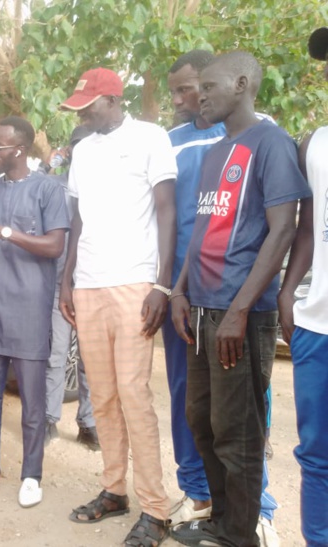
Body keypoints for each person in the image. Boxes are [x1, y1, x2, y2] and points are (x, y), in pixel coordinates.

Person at [169, 51, 311, 547]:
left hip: (239, 315)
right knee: (202, 422)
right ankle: (222, 521)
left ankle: (241, 535)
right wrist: (180, 290)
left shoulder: (271, 143)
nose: (200, 94)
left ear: (243, 83)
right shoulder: (213, 154)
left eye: (209, 85)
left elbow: (283, 232)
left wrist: (239, 310)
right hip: (202, 308)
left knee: (238, 431)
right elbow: (201, 230)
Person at [58, 67, 176, 546]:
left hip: (134, 283)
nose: (83, 113)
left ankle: (156, 509)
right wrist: (67, 280)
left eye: (89, 105)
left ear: (113, 99)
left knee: (133, 395)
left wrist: (163, 286)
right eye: (79, 107)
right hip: (88, 286)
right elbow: (77, 218)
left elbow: (167, 210)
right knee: (102, 396)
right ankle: (113, 490)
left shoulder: (151, 137)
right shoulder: (83, 150)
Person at [0, 116, 69, 509]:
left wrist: (6, 232)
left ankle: (31, 475)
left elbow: (55, 246)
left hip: (30, 310)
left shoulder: (48, 189)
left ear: (19, 149)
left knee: (32, 404)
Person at [276, 26, 328, 547]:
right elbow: (306, 229)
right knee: (316, 455)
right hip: (319, 328)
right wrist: (289, 292)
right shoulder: (315, 143)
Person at [39, 126, 99, 451]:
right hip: (57, 286)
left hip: (91, 284)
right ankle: (49, 420)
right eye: (76, 146)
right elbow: (30, 186)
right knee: (56, 356)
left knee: (91, 360)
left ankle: (88, 424)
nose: (82, 151)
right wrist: (49, 163)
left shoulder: (103, 189)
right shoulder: (54, 187)